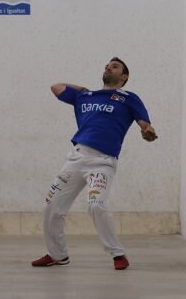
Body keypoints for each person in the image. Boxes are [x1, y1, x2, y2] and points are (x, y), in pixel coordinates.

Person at [31, 57, 157, 270]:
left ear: (124, 77)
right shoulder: (84, 95)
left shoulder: (128, 98)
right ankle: (57, 255)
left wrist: (148, 132)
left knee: (96, 205)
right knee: (51, 206)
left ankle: (118, 254)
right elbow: (56, 87)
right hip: (76, 158)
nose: (109, 67)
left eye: (115, 66)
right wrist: (81, 88)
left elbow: (145, 125)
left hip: (103, 161)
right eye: (107, 65)